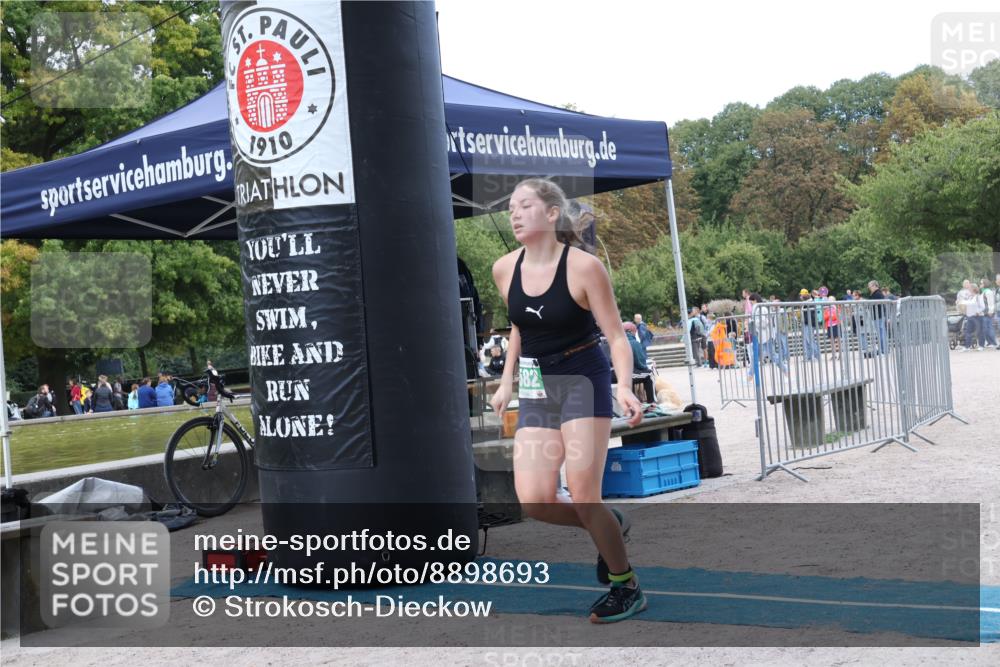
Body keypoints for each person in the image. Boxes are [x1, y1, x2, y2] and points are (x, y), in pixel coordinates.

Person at [489, 178, 646, 624]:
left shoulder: (583, 267)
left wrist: (623, 384)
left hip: (582, 372)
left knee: (582, 493)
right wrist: (505, 381)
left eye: (524, 206)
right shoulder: (504, 268)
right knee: (535, 500)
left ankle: (625, 585)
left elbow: (615, 335)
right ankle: (611, 524)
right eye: (510, 207)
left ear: (552, 214)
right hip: (538, 379)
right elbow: (521, 325)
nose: (514, 214)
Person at [623, 321, 655, 402]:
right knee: (648, 376)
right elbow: (640, 363)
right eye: (635, 332)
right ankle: (651, 403)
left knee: (636, 375)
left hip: (612, 374)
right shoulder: (634, 343)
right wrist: (647, 369)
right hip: (625, 374)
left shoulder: (616, 341)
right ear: (632, 331)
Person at [799, 289, 821, 361]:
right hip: (806, 323)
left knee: (810, 340)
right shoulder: (806, 303)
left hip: (809, 324)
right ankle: (808, 356)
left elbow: (811, 315)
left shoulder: (810, 303)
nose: (800, 297)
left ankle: (817, 355)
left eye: (801, 295)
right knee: (806, 340)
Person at [979, 278, 997, 349]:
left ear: (984, 284)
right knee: (985, 328)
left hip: (988, 313)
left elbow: (991, 303)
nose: (980, 284)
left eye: (981, 283)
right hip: (983, 313)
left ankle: (993, 343)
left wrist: (990, 311)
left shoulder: (988, 292)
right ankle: (990, 342)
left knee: (989, 328)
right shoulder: (983, 292)